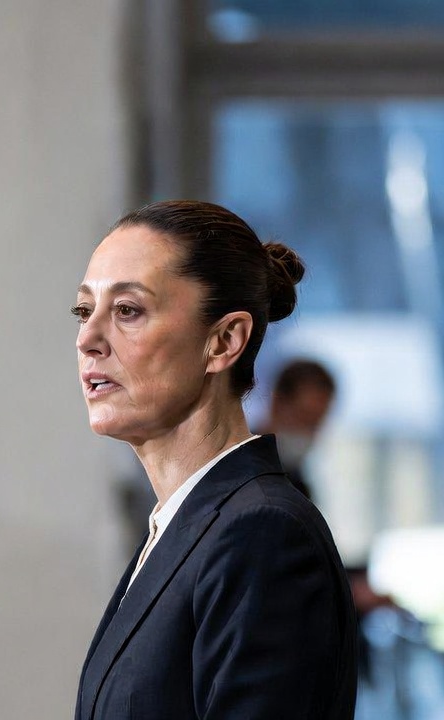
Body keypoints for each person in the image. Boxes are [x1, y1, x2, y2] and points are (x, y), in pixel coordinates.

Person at [72, 200, 357, 719]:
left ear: (224, 341)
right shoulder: (184, 525)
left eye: (128, 310)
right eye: (84, 310)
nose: (88, 339)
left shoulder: (262, 534)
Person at [260, 358, 337, 499]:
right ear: (276, 403)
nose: (306, 431)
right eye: (304, 417)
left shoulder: (298, 487)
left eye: (315, 423)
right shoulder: (237, 466)